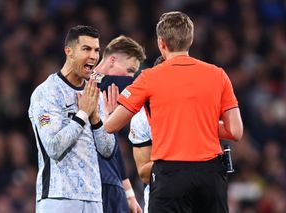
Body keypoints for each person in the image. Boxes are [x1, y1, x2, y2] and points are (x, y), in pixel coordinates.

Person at [104, 11, 243, 213]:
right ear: (191, 39)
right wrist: (197, 125)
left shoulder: (148, 78)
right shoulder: (218, 75)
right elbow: (235, 131)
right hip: (210, 175)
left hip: (170, 176)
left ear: (161, 43)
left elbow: (111, 126)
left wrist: (109, 114)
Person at [28, 25, 116, 213]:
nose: (93, 56)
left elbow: (107, 150)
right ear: (69, 51)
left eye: (96, 50)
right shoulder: (46, 93)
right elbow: (53, 146)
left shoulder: (94, 93)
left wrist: (95, 118)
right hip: (57, 197)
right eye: (86, 49)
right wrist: (83, 114)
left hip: (93, 197)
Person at [92, 35, 146, 213]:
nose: (130, 78)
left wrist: (129, 193)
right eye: (130, 70)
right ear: (112, 60)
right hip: (94, 185)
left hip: (112, 183)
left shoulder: (109, 93)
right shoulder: (87, 82)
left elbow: (113, 147)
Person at [128, 56, 164, 213]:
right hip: (162, 198)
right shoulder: (142, 118)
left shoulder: (195, 107)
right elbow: (143, 173)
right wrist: (179, 161)